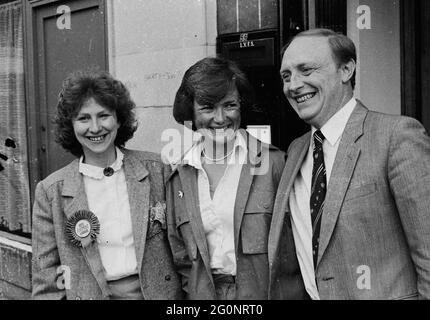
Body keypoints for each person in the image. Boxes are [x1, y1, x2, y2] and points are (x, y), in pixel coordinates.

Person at [269, 28, 430, 300]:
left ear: (346, 70)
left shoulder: (396, 136)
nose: (293, 85)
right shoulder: (296, 151)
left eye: (306, 70)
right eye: (286, 76)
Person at [31, 70, 183, 300]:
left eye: (103, 115)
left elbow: (183, 252)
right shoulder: (51, 191)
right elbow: (47, 280)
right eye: (83, 118)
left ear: (119, 119)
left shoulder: (157, 169)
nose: (95, 128)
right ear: (70, 125)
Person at [166, 57, 288, 299]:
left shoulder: (274, 163)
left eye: (229, 105)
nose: (220, 119)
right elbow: (180, 259)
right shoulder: (179, 173)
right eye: (208, 107)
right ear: (190, 110)